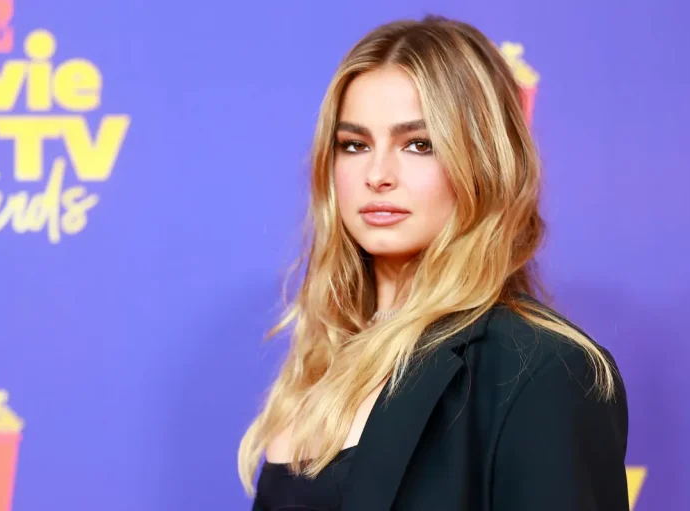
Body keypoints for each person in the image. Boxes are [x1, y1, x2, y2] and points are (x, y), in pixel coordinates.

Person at [238, 14, 630, 511]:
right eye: (355, 145)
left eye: (419, 145)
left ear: (483, 162)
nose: (378, 174)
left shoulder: (543, 372)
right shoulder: (321, 362)